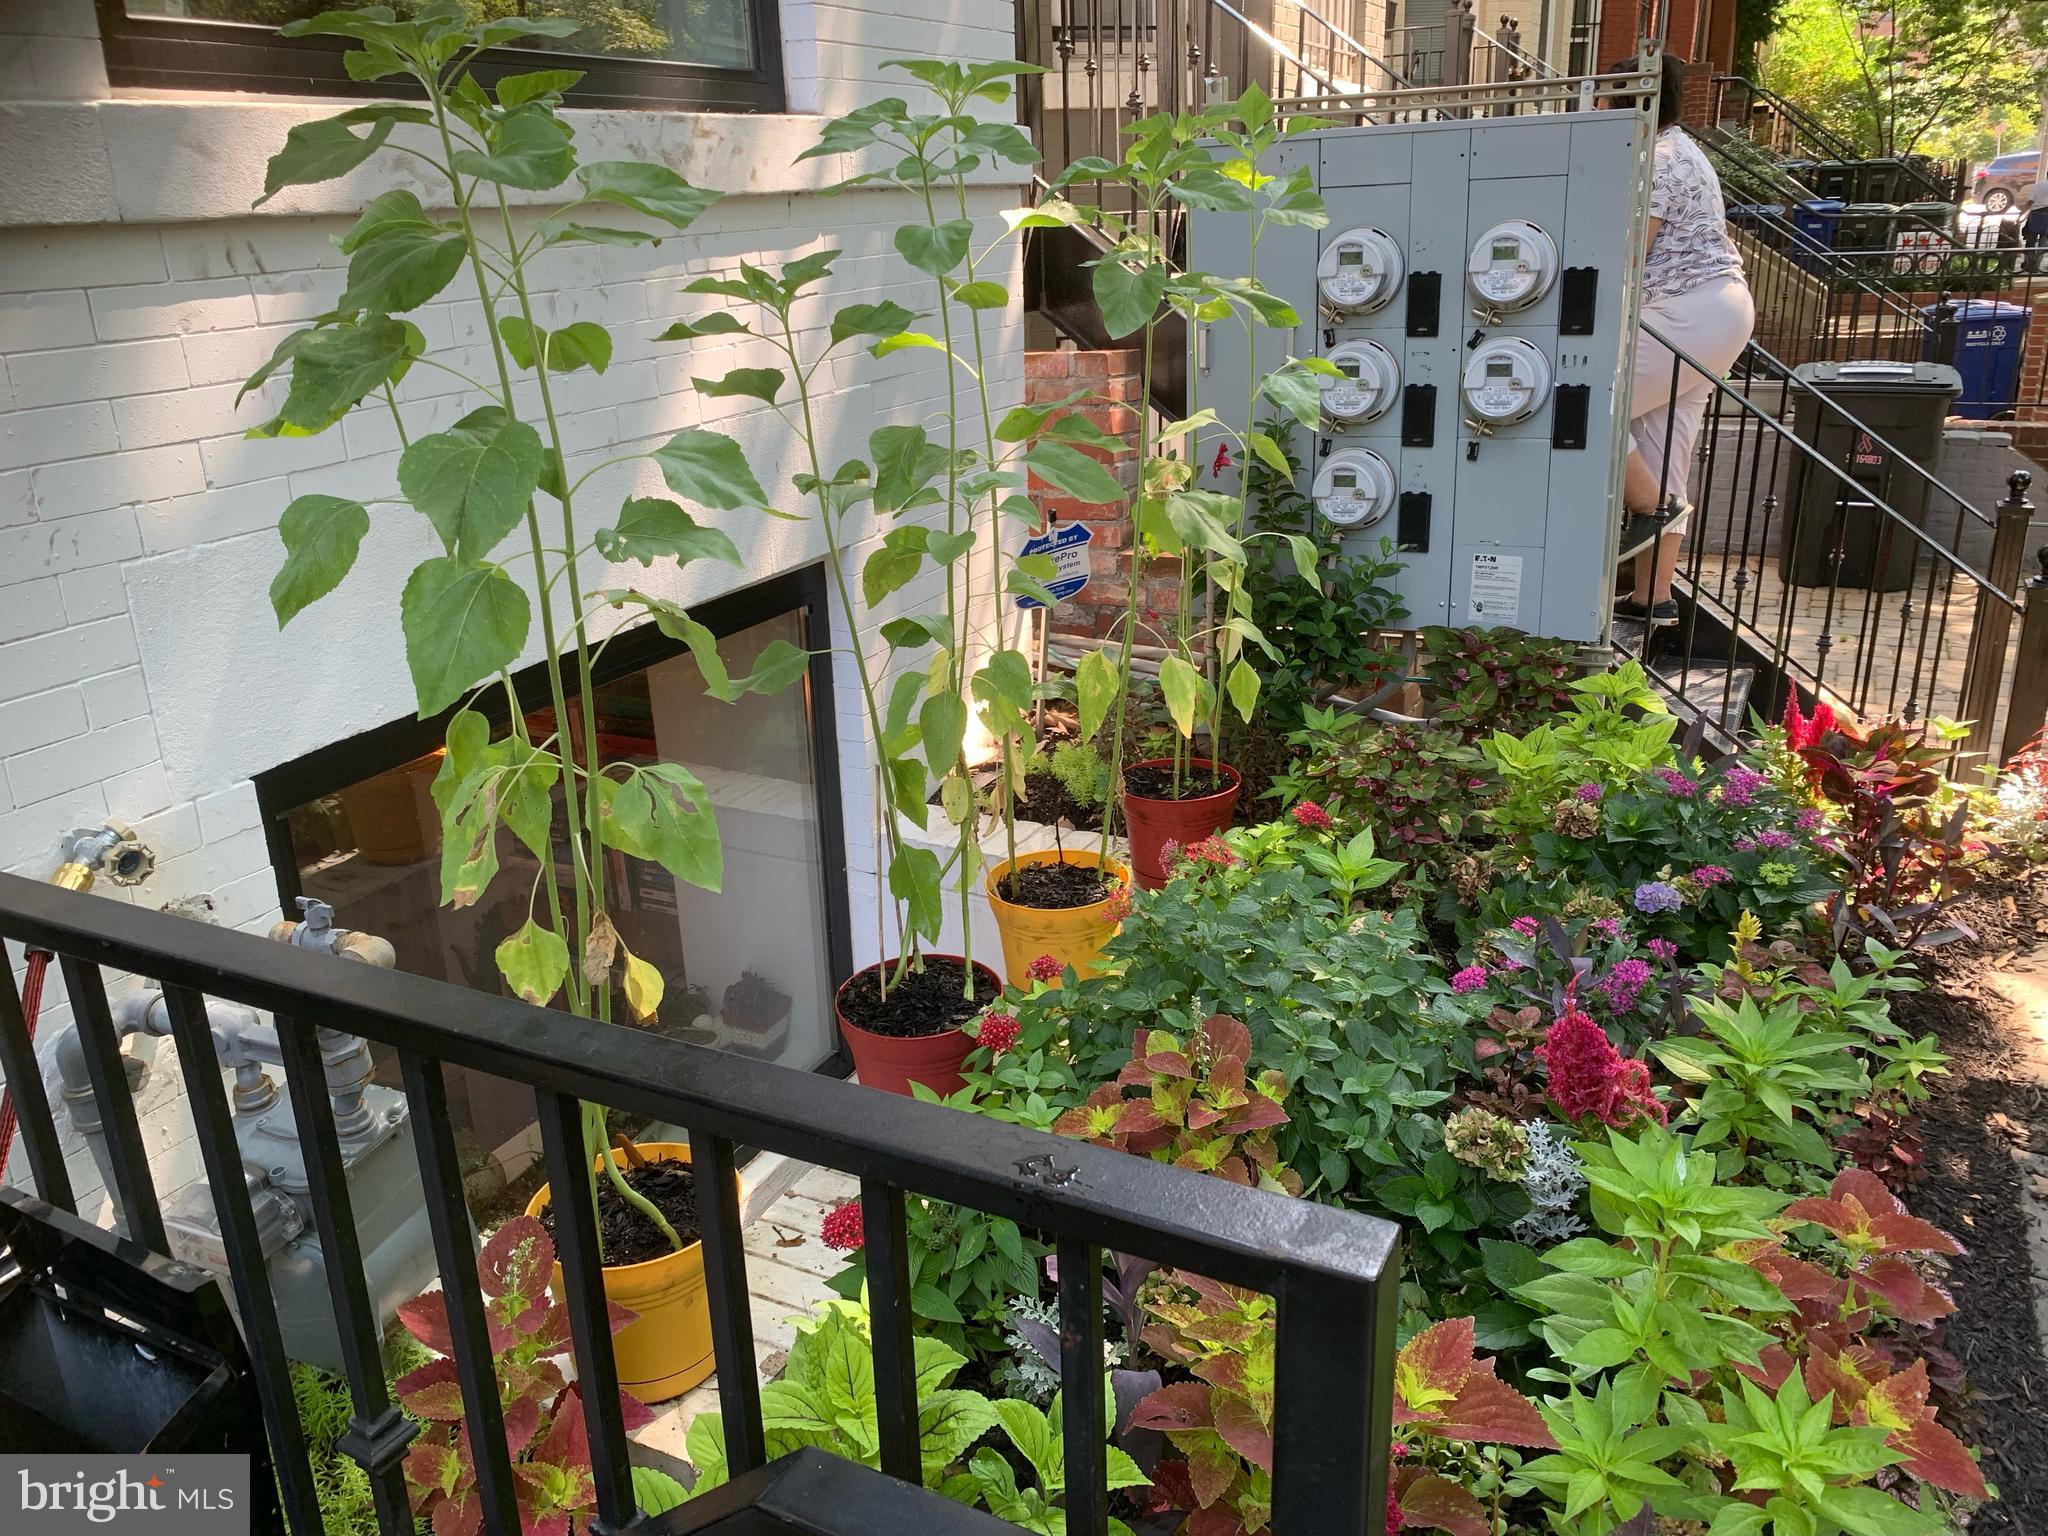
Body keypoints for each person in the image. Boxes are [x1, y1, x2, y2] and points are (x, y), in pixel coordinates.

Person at [1612, 55, 1756, 626]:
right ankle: (1654, 599)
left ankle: (1650, 508)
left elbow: (1631, 256)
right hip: (1718, 312)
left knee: (1582, 406)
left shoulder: (1654, 158)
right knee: (1662, 449)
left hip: (1682, 312)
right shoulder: (1683, 150)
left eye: (1606, 99)